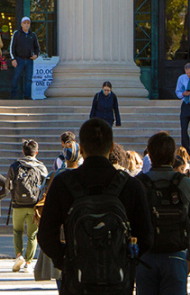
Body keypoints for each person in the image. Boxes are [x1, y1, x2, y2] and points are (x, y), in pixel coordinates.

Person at [38, 119, 153, 295]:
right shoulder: (131, 185)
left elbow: (45, 235)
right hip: (118, 280)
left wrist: (67, 259)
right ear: (112, 146)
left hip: (77, 280)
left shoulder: (62, 183)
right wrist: (125, 261)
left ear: (81, 148)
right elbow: (146, 237)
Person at [135, 132, 190, 295]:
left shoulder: (137, 184)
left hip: (145, 258)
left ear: (149, 155)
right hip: (175, 256)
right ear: (173, 156)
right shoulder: (186, 184)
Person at [35, 142, 80, 285]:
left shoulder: (55, 175)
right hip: (80, 230)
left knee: (61, 278)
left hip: (60, 228)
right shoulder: (84, 177)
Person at [7, 139, 48, 273]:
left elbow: (8, 185)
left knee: (17, 231)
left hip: (18, 205)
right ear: (36, 152)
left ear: (23, 152)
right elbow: (45, 186)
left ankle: (19, 256)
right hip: (33, 205)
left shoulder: (14, 166)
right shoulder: (41, 167)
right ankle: (29, 263)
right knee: (32, 234)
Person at [9, 17, 40, 100]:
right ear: (21, 24)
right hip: (19, 59)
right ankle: (13, 95)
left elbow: (37, 48)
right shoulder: (17, 34)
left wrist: (36, 55)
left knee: (29, 79)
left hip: (29, 60)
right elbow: (12, 47)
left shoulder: (33, 35)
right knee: (16, 77)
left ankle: (27, 96)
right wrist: (13, 59)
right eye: (25, 23)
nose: (26, 25)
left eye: (28, 23)